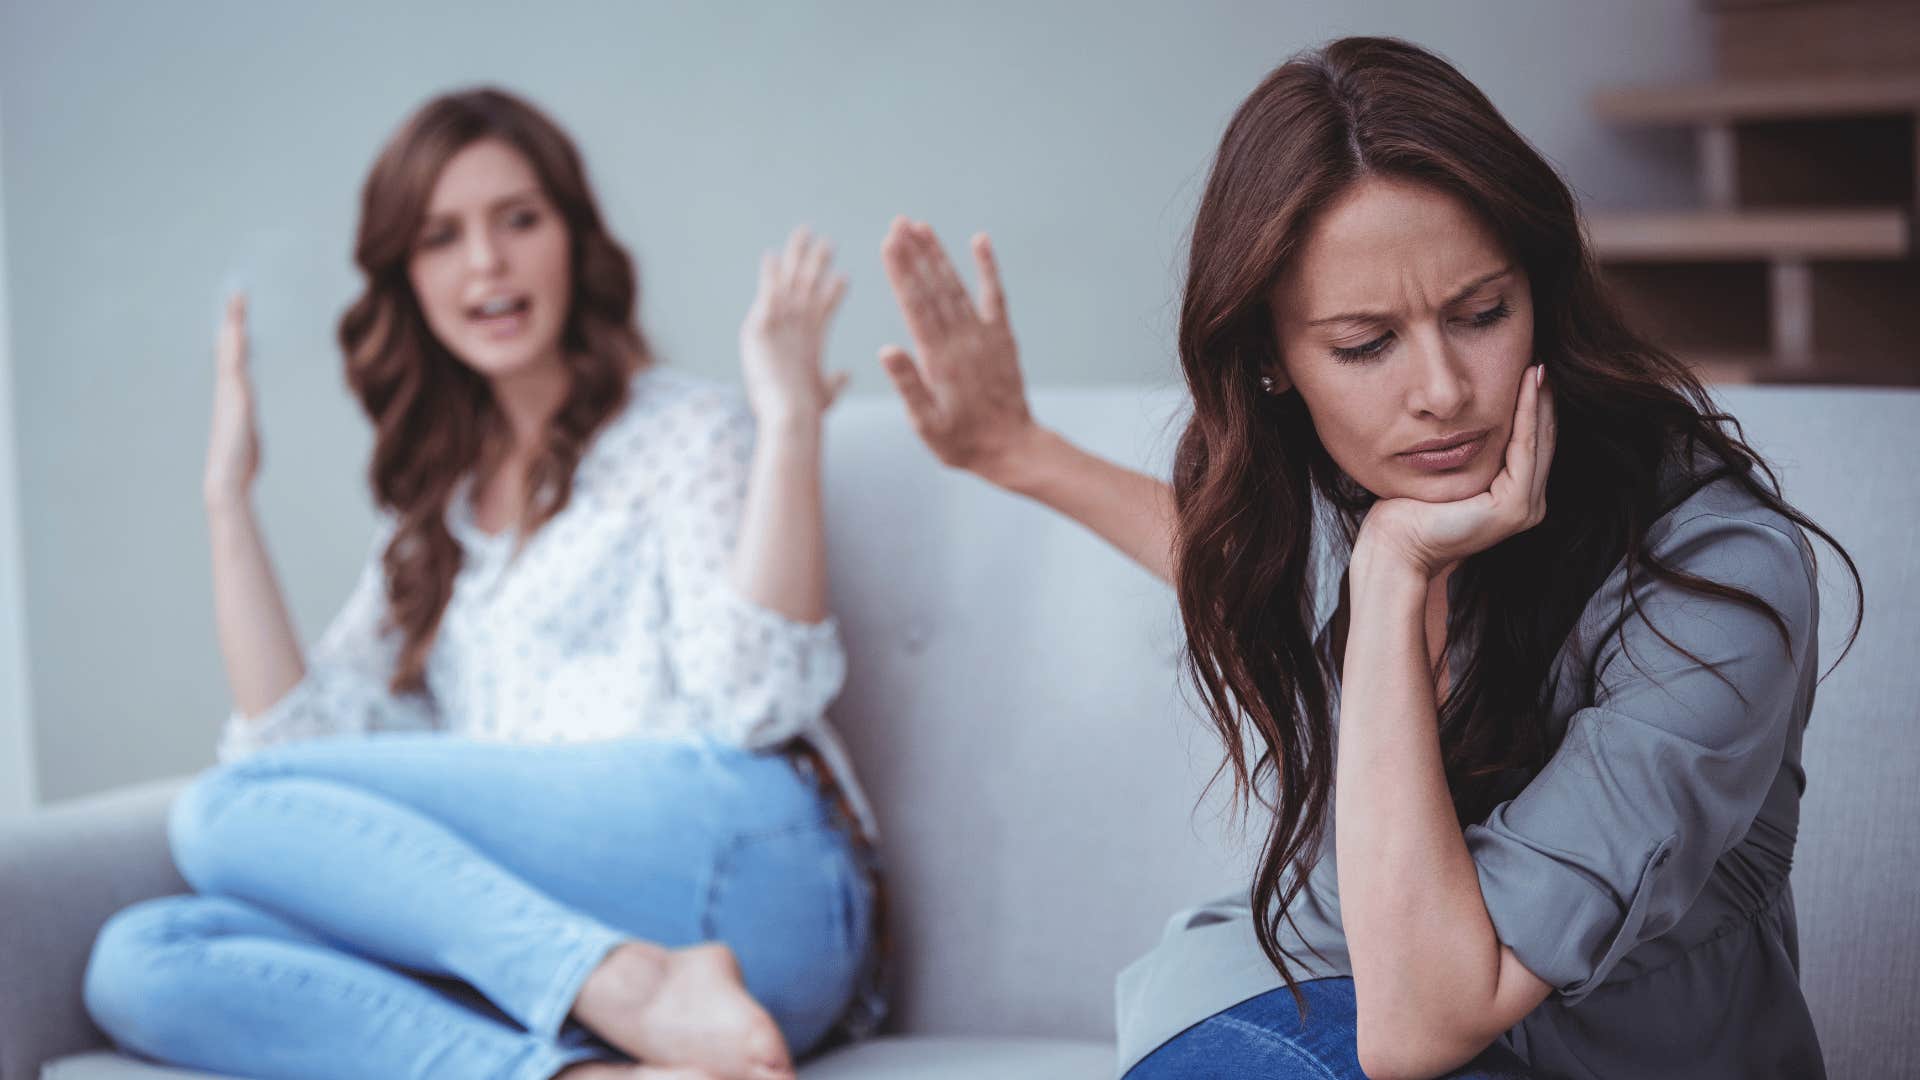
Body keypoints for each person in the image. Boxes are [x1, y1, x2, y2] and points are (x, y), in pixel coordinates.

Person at [872, 36, 1860, 1080]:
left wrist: (1390, 578)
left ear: (1542, 292)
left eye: (1481, 314)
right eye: (1364, 345)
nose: (1441, 388)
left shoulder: (1715, 577)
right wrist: (1017, 453)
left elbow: (1423, 1027)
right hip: (1292, 1003)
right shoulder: (1351, 489)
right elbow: (1224, 560)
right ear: (1270, 361)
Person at [83, 87, 883, 1080]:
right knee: (143, 961)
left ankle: (625, 986)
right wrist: (225, 502)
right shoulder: (437, 517)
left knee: (218, 811)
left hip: (751, 875)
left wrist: (789, 423)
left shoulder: (682, 429)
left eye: (519, 220)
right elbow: (294, 752)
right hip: (583, 947)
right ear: (406, 277)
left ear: (575, 242)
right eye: (440, 237)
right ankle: (573, 1068)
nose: (486, 263)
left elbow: (758, 702)